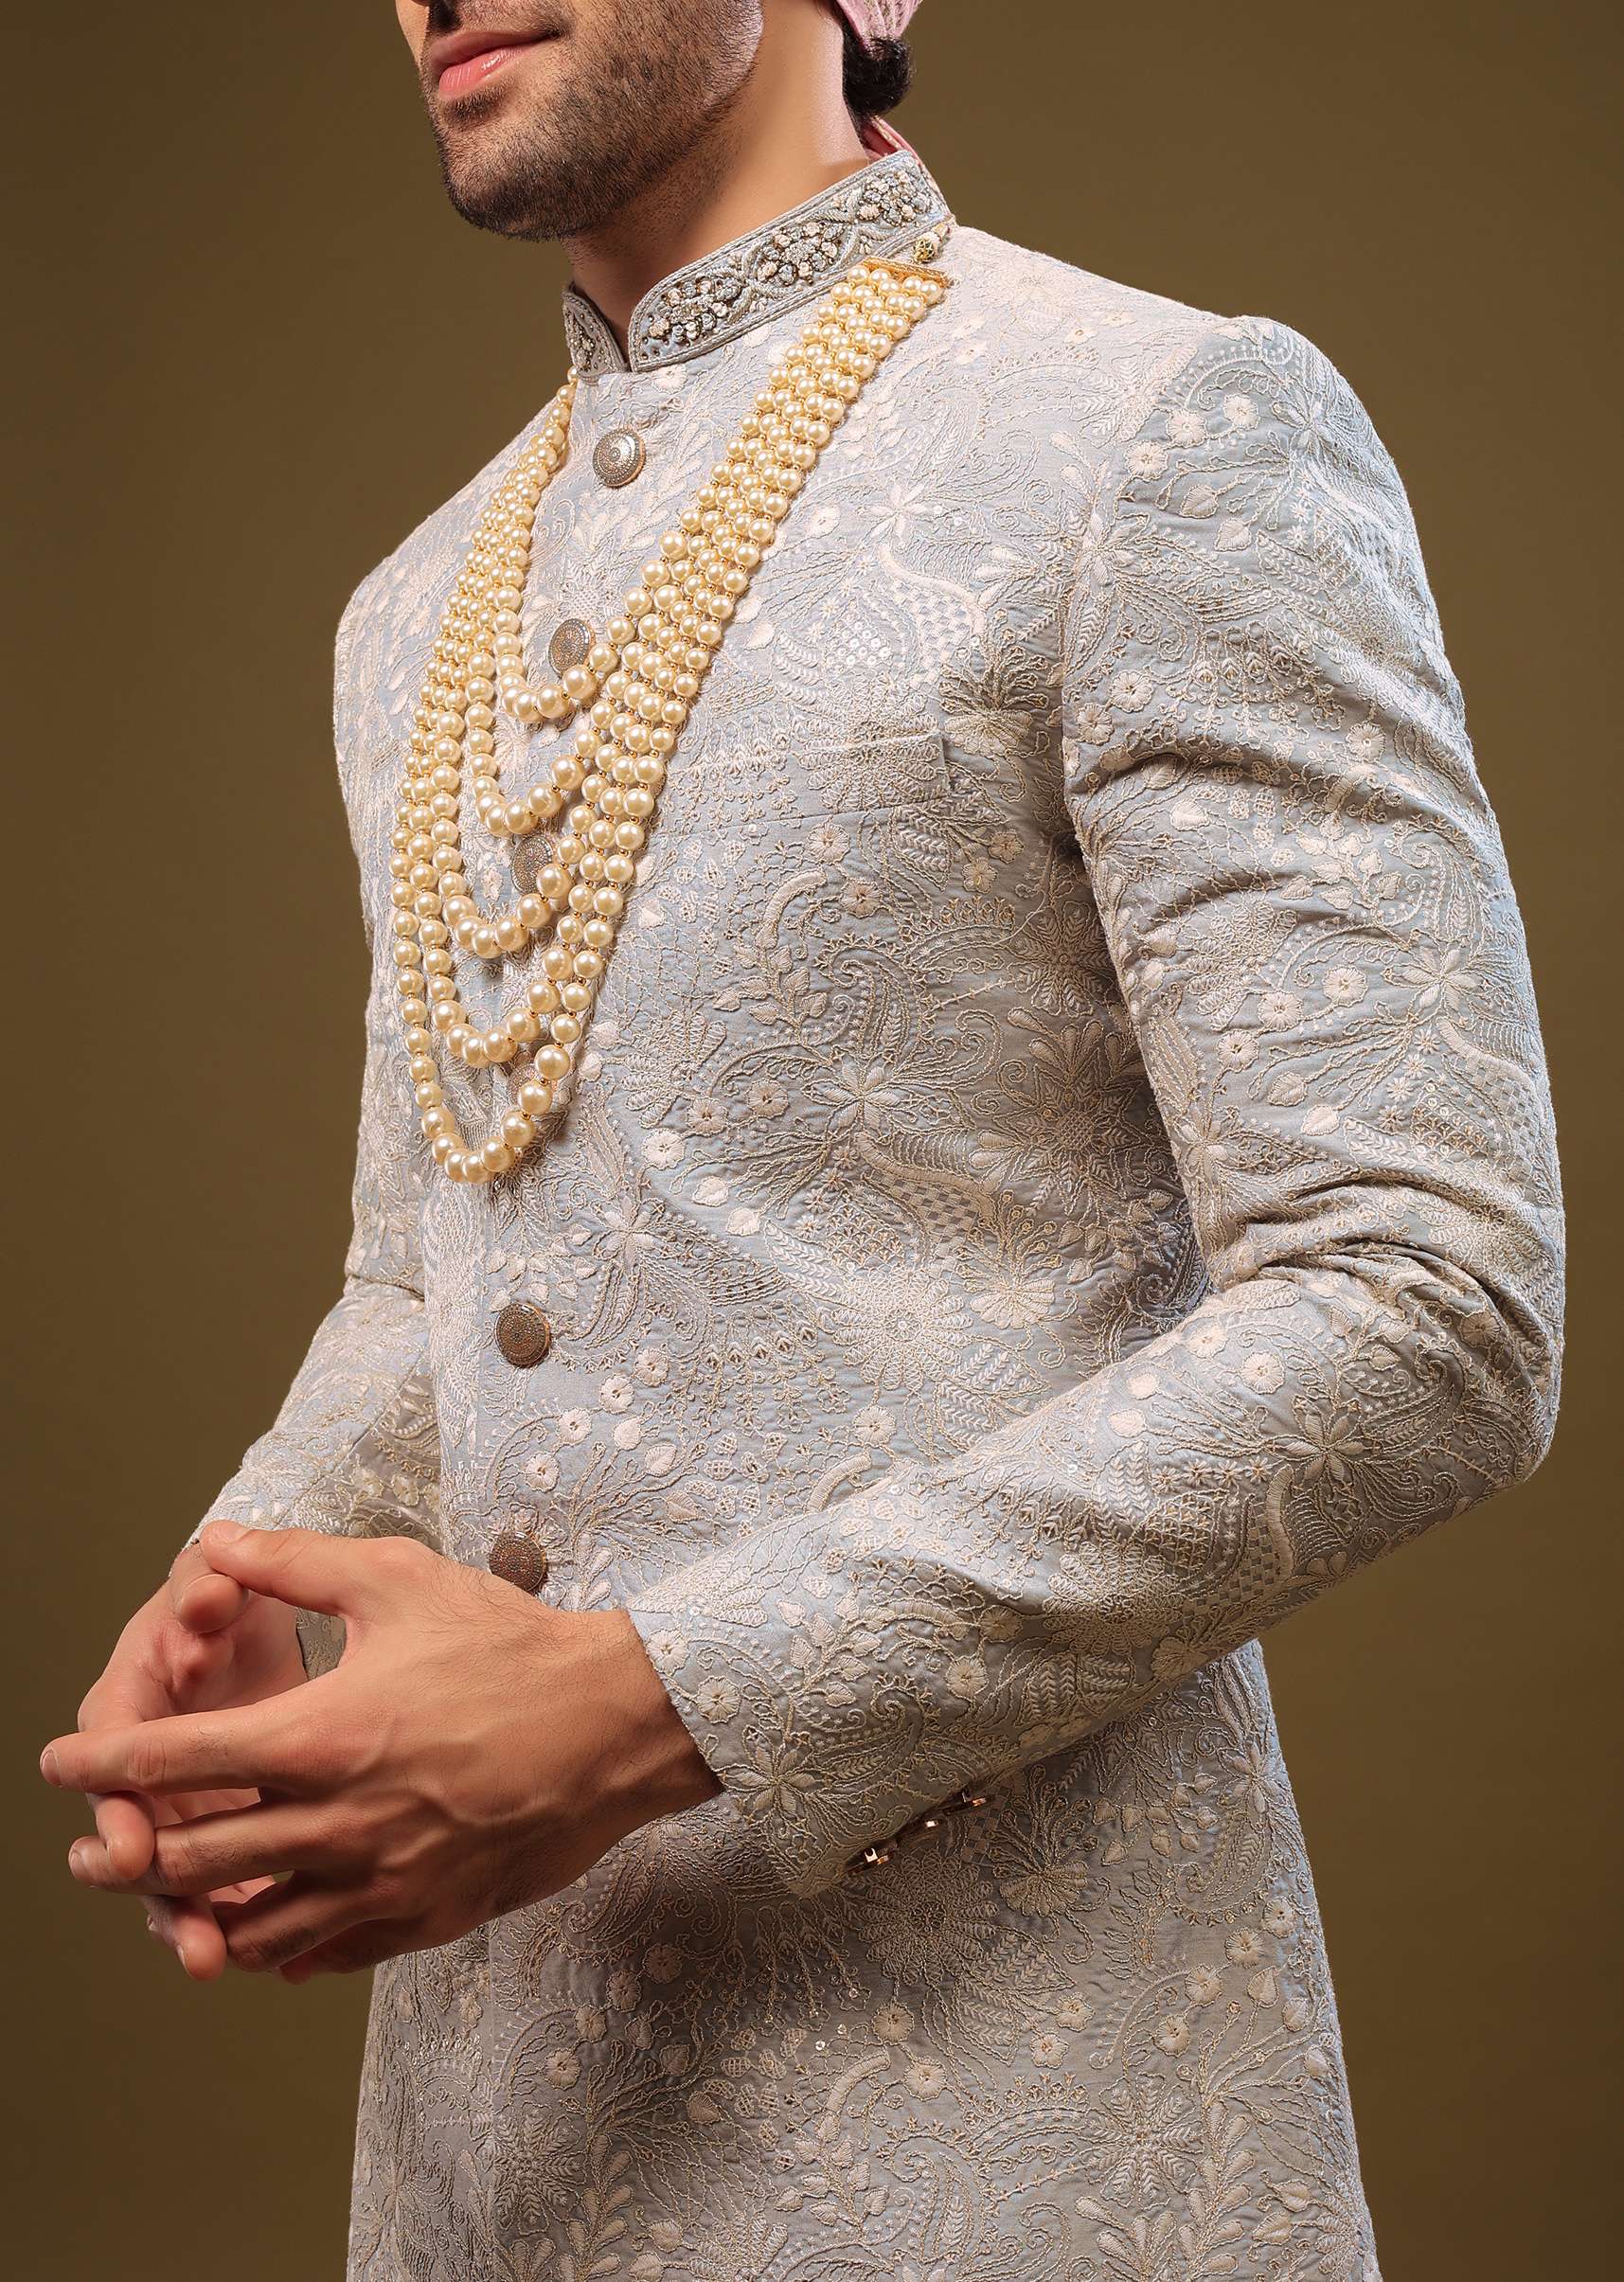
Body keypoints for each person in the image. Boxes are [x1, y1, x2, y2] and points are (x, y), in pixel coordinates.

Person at [41, 1, 1564, 2273]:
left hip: (1026, 2133)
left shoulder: (1151, 427)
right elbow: (434, 1251)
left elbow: (1432, 1300)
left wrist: (643, 1697)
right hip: (493, 2145)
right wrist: (250, 1571)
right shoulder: (412, 606)